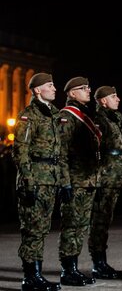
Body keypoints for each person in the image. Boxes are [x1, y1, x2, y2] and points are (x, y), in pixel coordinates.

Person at [12, 73, 63, 291]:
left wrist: (61, 179)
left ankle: (37, 274)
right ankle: (30, 277)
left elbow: (59, 151)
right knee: (32, 229)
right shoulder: (28, 115)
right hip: (34, 179)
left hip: (49, 179)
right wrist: (28, 181)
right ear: (37, 90)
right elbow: (21, 151)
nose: (54, 88)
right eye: (50, 85)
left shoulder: (54, 114)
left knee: (42, 228)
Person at [58, 76, 101, 287]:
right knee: (71, 226)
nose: (88, 91)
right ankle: (68, 270)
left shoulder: (84, 115)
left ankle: (73, 267)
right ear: (72, 93)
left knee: (81, 226)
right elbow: (61, 152)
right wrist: (65, 182)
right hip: (74, 180)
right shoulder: (67, 117)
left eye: (89, 87)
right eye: (83, 88)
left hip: (86, 180)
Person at [88, 86, 122, 279]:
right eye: (113, 96)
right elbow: (93, 149)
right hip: (104, 176)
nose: (118, 99)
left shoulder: (113, 119)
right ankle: (98, 263)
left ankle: (101, 261)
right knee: (99, 220)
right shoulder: (100, 120)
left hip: (114, 176)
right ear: (103, 101)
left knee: (105, 220)